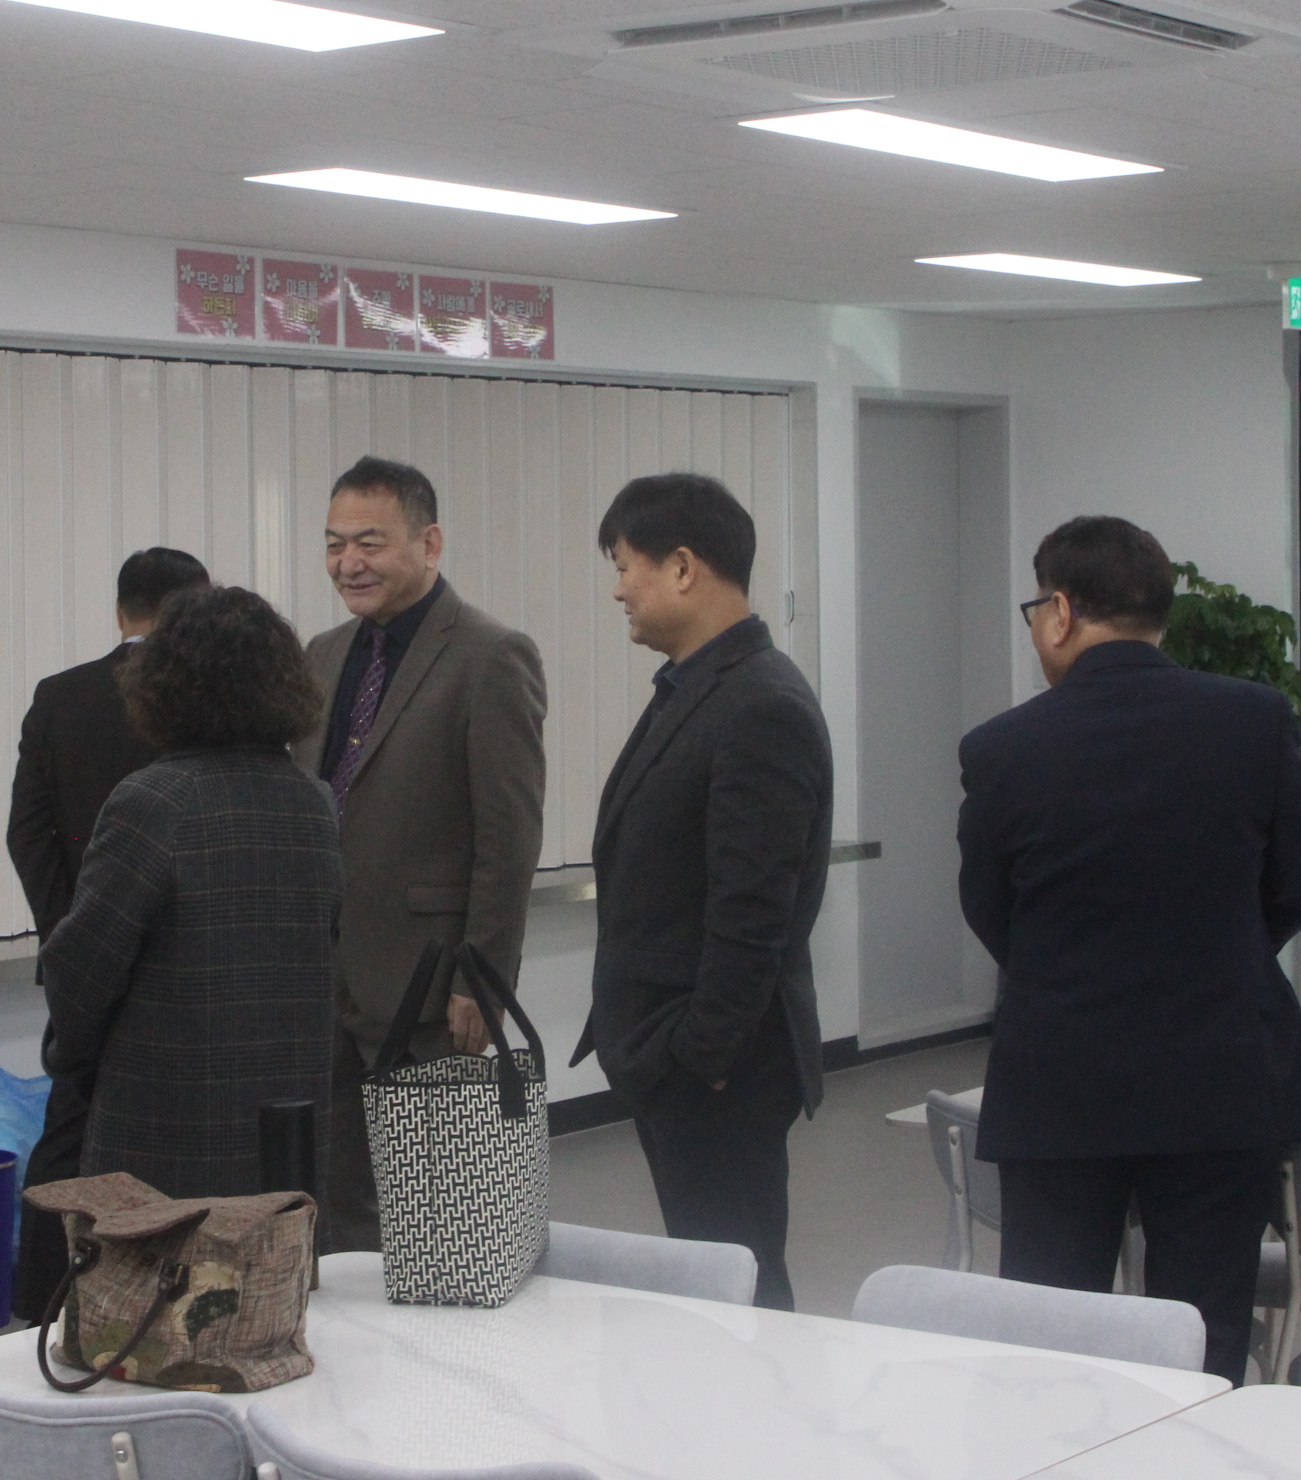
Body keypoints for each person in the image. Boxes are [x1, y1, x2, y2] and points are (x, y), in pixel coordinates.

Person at [959, 516, 1301, 1383]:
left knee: (1053, 1341)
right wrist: (1225, 946)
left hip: (1061, 1078)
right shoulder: (1252, 719)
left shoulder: (1004, 747)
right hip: (1220, 1074)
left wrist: (1064, 966)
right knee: (1203, 1339)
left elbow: (989, 908)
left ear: (1060, 611)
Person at [576, 472, 830, 1312]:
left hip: (720, 1072)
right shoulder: (699, 686)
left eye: (626, 566)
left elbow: (754, 914)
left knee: (740, 1287)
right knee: (712, 1278)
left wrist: (698, 1059)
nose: (618, 589)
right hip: (681, 1058)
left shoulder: (759, 704)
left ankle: (765, 1403)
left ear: (683, 568)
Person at [289, 456, 546, 1253]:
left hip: (431, 986)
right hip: (323, 982)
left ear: (429, 544)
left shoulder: (489, 654)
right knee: (335, 1214)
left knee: (435, 1220)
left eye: (369, 542)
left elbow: (508, 836)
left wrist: (482, 978)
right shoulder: (322, 654)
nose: (348, 563)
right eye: (334, 544)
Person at [40, 586, 342, 1198]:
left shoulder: (152, 801)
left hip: (164, 1120)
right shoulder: (314, 801)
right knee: (277, 1259)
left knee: (165, 1261)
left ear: (163, 684)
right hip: (289, 1122)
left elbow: (84, 967)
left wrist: (70, 1058)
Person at [6, 545, 209, 1322]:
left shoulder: (59, 697)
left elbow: (28, 834)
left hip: (80, 964)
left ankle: (38, 1306)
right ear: (198, 610)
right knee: (182, 1131)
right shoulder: (208, 701)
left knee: (70, 1127)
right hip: (184, 962)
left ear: (120, 610)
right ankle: (167, 1305)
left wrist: (73, 936)